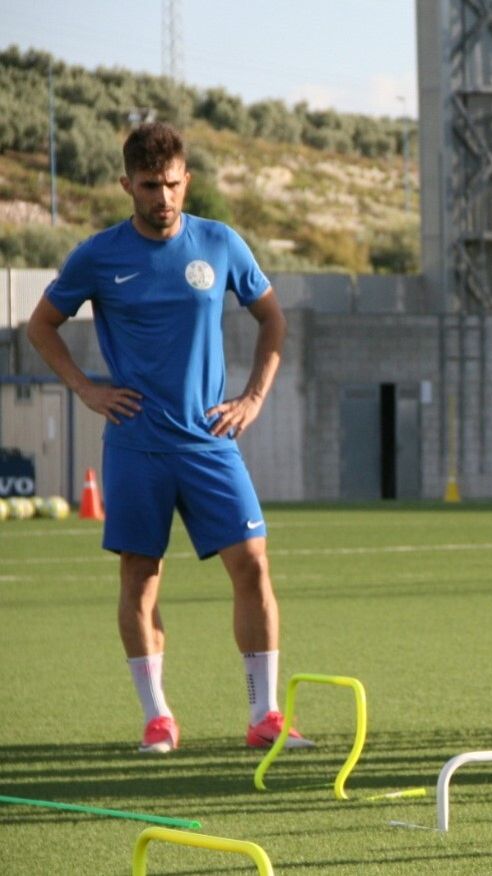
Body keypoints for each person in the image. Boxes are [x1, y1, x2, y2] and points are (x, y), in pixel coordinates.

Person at [26, 122, 310, 754]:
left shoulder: (220, 242)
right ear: (127, 184)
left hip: (210, 441)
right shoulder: (98, 255)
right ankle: (158, 717)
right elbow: (41, 325)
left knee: (253, 566)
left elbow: (272, 318)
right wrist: (86, 389)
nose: (163, 197)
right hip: (135, 444)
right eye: (150, 186)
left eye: (173, 184)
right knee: (140, 579)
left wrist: (255, 397)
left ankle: (265, 716)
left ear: (188, 180)